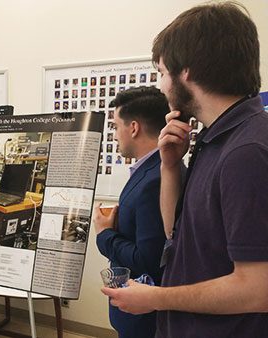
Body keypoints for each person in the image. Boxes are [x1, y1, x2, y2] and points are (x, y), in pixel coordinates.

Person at [101, 3, 268, 337]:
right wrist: (170, 165)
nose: (162, 86)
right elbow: (173, 233)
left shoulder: (247, 151)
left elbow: (257, 289)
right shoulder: (213, 137)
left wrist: (157, 298)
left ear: (186, 71)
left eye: (162, 72)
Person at [93, 86, 170, 338]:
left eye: (115, 126)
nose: (114, 135)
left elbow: (149, 259)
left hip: (143, 316)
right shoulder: (156, 169)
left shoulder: (156, 179)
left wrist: (104, 234)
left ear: (134, 127)